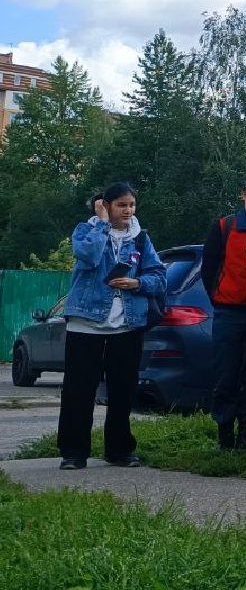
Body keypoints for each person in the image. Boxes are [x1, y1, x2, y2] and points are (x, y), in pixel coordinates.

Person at [56, 183, 166, 470]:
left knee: (122, 390)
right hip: (86, 324)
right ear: (105, 206)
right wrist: (103, 224)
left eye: (131, 205)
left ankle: (119, 450)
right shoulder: (85, 231)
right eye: (121, 205)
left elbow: (159, 275)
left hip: (127, 325)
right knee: (79, 391)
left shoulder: (141, 239)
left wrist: (137, 283)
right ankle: (73, 452)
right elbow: (89, 256)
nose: (128, 210)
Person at [201, 173, 246, 450]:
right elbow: (208, 269)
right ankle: (224, 431)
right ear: (243, 195)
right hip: (228, 312)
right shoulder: (225, 226)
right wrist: (219, 297)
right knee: (225, 373)